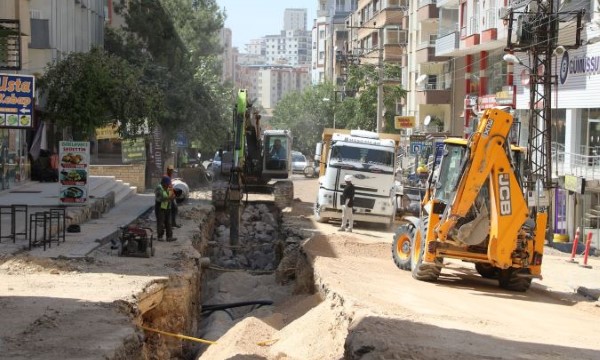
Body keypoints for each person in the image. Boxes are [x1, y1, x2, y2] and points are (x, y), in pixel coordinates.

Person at [155, 176, 177, 242]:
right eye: (167, 184)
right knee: (161, 222)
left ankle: (169, 237)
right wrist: (169, 198)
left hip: (168, 207)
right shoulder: (159, 188)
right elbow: (160, 198)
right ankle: (160, 236)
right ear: (163, 183)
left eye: (168, 184)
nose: (168, 185)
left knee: (168, 222)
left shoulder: (169, 187)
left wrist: (172, 196)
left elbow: (172, 195)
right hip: (160, 207)